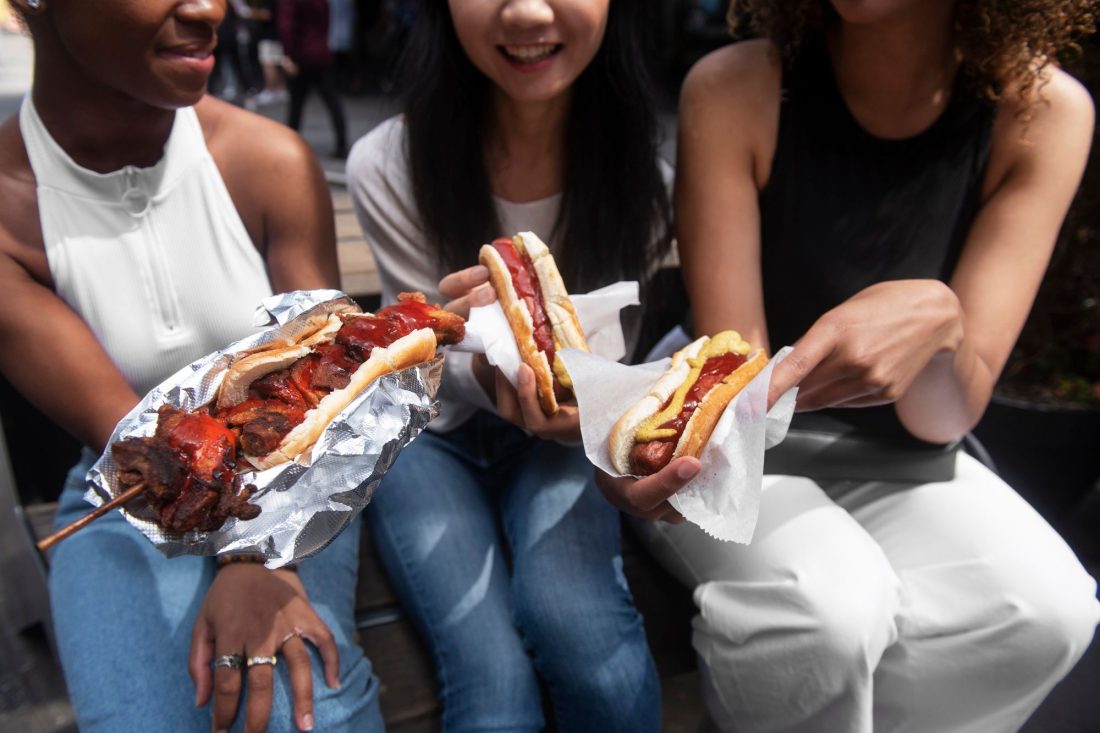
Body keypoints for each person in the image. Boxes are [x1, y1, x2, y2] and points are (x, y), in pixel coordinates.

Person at [597, 0, 1100, 731]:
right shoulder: (738, 87)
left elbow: (944, 419)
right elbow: (736, 389)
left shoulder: (1043, 112)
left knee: (1050, 610)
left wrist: (944, 326)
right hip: (737, 449)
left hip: (907, 453)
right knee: (826, 609)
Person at [0, 1, 382, 731]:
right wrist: (241, 556)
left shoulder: (270, 161)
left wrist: (258, 558)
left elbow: (329, 383)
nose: (210, 8)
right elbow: (134, 437)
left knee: (311, 714)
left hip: (297, 473)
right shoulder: (8, 211)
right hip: (130, 483)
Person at [346, 1, 672, 729]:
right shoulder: (386, 165)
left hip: (564, 439)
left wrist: (581, 398)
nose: (526, 10)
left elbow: (616, 360)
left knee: (584, 633)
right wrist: (484, 343)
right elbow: (426, 364)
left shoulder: (646, 180)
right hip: (424, 434)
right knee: (493, 686)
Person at [278, 0, 348, 158]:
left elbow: (287, 26)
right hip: (321, 51)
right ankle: (342, 143)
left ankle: (289, 145)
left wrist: (288, 54)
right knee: (331, 100)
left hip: (302, 54)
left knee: (296, 103)